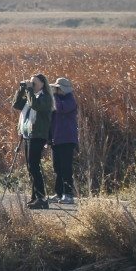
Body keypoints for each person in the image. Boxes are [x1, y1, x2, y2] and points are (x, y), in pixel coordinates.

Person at [12, 73, 55, 209]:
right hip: (28, 134)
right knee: (31, 167)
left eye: (35, 83)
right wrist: (22, 90)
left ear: (43, 84)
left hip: (38, 135)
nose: (33, 85)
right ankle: (35, 196)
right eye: (31, 83)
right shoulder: (31, 95)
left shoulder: (45, 98)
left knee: (34, 166)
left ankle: (41, 198)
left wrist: (29, 90)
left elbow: (35, 106)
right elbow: (17, 105)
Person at [48, 77, 78, 205]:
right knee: (57, 167)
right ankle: (59, 193)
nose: (55, 90)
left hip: (67, 139)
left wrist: (53, 95)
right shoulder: (58, 99)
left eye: (57, 88)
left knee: (66, 168)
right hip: (56, 139)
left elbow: (60, 108)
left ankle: (68, 194)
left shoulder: (70, 100)